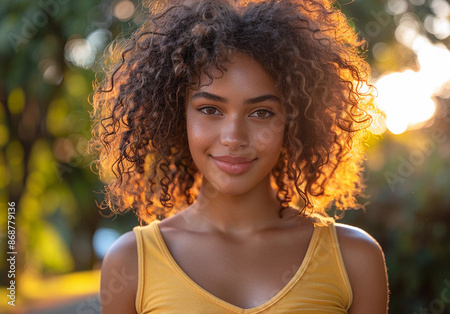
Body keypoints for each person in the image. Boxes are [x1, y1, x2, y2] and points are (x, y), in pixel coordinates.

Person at [89, 0, 389, 312]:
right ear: (178, 115)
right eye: (210, 109)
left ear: (296, 120)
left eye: (261, 112)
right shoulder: (132, 264)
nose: (233, 137)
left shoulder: (353, 258)